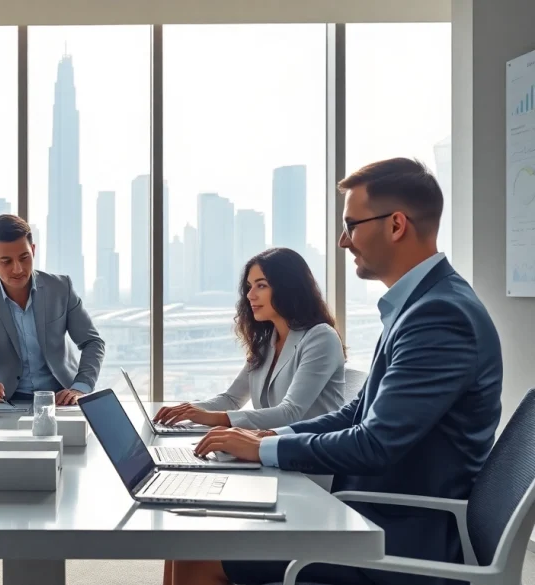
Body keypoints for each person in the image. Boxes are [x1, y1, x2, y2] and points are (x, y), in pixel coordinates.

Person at [169, 158, 503, 585]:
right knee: (188, 540)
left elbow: (375, 443)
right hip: (373, 510)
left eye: (352, 225)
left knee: (198, 556)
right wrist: (268, 439)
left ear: (396, 225)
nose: (344, 241)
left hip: (399, 534)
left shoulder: (439, 316)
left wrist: (265, 450)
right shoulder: (419, 306)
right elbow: (356, 413)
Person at [154, 247, 346, 430]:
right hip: (273, 449)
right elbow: (231, 399)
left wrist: (212, 417)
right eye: (249, 286)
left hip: (314, 454)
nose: (250, 295)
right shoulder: (267, 342)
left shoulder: (321, 337)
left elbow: (290, 413)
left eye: (261, 285)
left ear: (288, 288)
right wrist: (188, 410)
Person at [0, 214, 105, 405]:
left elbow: (92, 342)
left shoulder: (62, 288)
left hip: (62, 398)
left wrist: (80, 387)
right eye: (6, 261)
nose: (18, 269)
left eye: (24, 257)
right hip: (8, 401)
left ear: (33, 250)